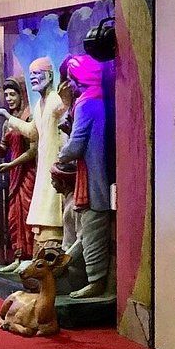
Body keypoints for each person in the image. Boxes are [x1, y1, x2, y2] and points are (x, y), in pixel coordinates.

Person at [57, 55, 113, 299]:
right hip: (94, 175)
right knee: (86, 230)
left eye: (71, 79)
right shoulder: (96, 100)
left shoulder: (86, 103)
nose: (69, 84)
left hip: (92, 178)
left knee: (92, 229)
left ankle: (95, 280)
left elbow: (76, 144)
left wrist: (62, 155)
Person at [0, 57, 66, 249]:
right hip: (44, 165)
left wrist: (63, 159)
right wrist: (8, 117)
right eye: (31, 74)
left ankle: (51, 244)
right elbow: (32, 131)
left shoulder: (55, 101)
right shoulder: (39, 104)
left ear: (49, 76)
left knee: (52, 205)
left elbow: (65, 130)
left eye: (37, 73)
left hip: (55, 162)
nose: (33, 77)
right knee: (41, 206)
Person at [0, 76, 36, 269]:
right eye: (6, 95)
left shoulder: (29, 118)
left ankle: (31, 257)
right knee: (14, 215)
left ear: (21, 94)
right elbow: (2, 151)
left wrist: (11, 165)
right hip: (14, 173)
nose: (9, 98)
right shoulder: (7, 123)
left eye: (12, 94)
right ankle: (18, 257)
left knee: (28, 211)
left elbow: (33, 151)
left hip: (28, 172)